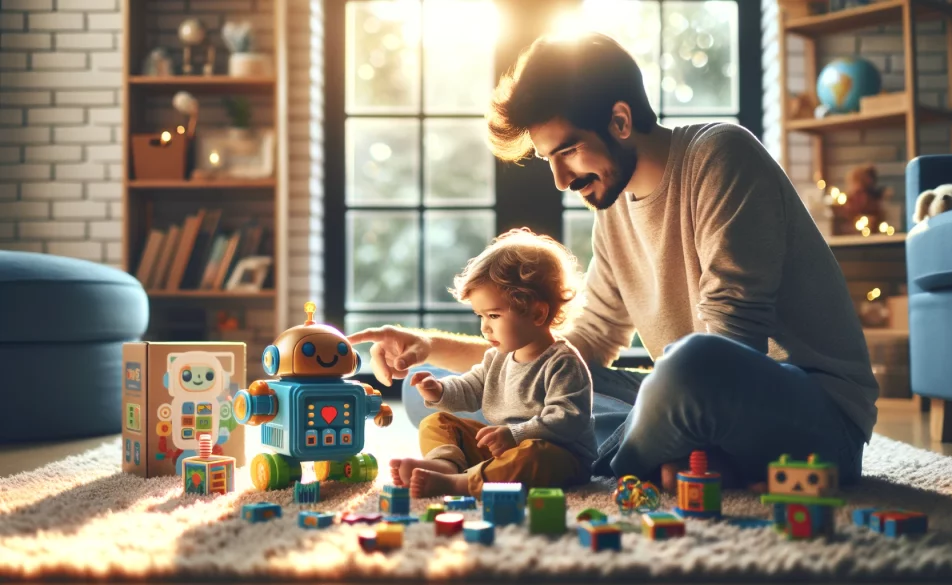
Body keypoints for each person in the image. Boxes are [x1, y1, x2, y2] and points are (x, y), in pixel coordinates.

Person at [349, 32, 878, 493]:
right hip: (684, 402)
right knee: (434, 392)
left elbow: (731, 346)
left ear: (620, 120)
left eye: (568, 151)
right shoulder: (615, 210)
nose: (559, 179)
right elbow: (569, 350)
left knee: (687, 367)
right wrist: (429, 347)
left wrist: (554, 428)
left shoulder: (721, 156)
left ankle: (573, 464)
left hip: (808, 412)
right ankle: (607, 456)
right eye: (547, 160)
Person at [387, 228, 597, 499]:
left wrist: (516, 434)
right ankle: (446, 465)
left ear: (537, 312)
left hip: (559, 455)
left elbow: (568, 419)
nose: (485, 328)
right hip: (502, 444)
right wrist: (439, 391)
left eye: (494, 315)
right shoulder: (497, 357)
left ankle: (459, 485)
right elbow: (472, 387)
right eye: (480, 316)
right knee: (437, 421)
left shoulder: (562, 362)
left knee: (533, 457)